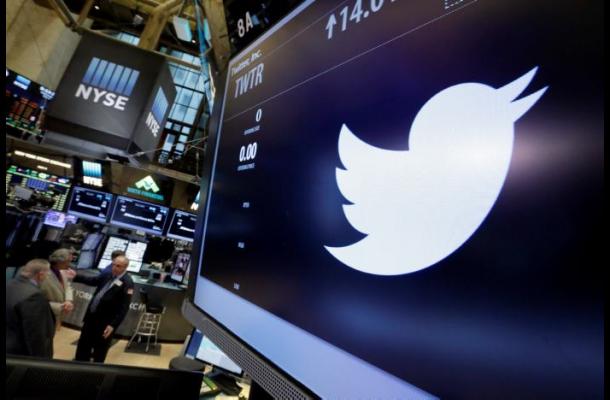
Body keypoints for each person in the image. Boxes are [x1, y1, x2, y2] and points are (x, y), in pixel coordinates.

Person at [73, 255, 134, 362]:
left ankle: (97, 370)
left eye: (118, 266)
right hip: (91, 316)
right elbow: (93, 280)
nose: (114, 268)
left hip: (105, 322)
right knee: (84, 343)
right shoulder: (108, 274)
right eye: (113, 264)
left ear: (125, 267)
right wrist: (75, 276)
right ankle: (79, 364)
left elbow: (123, 308)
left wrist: (113, 325)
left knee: (99, 349)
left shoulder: (127, 283)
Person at [6, 259, 56, 358]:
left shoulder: (9, 284)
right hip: (19, 354)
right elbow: (37, 337)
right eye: (48, 275)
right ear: (41, 275)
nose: (48, 278)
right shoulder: (34, 297)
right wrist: (42, 362)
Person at [40, 248, 75, 330]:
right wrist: (58, 307)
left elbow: (68, 287)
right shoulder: (43, 275)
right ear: (59, 261)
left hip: (54, 317)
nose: (70, 265)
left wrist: (68, 301)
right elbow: (35, 301)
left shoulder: (62, 272)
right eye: (68, 261)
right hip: (42, 316)